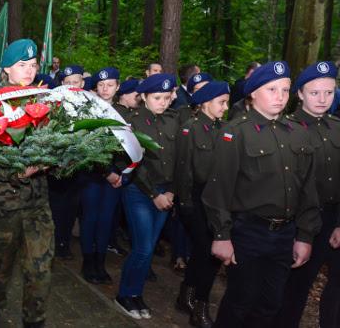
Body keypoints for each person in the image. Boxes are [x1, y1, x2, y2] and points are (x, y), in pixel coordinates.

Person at [202, 61, 321, 327]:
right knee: (241, 300)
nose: (280, 96)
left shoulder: (298, 133)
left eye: (285, 89)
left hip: (285, 234)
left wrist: (305, 235)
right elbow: (218, 190)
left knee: (271, 303)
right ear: (253, 93)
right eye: (271, 89)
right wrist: (221, 235)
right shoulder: (235, 132)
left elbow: (307, 190)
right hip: (248, 231)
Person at [0, 39, 53, 328]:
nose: (30, 71)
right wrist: (18, 173)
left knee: (40, 269)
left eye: (33, 65)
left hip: (37, 203)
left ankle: (34, 321)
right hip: (1, 202)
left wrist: (57, 160)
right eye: (22, 65)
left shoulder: (45, 103)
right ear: (7, 69)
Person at [275, 61, 340, 328]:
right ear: (300, 94)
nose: (323, 99)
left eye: (329, 92)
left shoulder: (337, 127)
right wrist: (301, 233)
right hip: (299, 221)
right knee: (294, 290)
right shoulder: (286, 129)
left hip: (334, 218)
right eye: (314, 92)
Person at [115, 73, 178, 320]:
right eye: (157, 98)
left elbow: (180, 160)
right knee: (142, 247)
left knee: (149, 247)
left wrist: (172, 191)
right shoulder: (132, 122)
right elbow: (131, 163)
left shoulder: (173, 120)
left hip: (166, 191)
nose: (162, 102)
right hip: (139, 192)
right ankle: (124, 294)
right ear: (143, 97)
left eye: (166, 97)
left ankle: (136, 293)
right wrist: (154, 194)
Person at [173, 81, 230, 327]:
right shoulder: (191, 128)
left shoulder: (225, 129)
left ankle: (186, 293)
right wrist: (184, 203)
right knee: (208, 251)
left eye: (227, 103)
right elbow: (183, 168)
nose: (225, 108)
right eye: (221, 102)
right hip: (195, 199)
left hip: (218, 201)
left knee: (203, 252)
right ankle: (200, 307)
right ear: (206, 102)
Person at [78, 67, 124, 285]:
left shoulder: (124, 113)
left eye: (110, 85)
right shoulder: (88, 111)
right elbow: (83, 146)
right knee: (90, 218)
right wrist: (106, 172)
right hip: (92, 173)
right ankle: (87, 262)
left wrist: (120, 173)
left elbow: (131, 148)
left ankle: (100, 262)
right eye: (101, 85)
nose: (105, 89)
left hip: (116, 176)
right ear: (96, 87)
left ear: (118, 87)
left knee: (106, 220)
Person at [49, 65, 85, 260]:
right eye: (68, 82)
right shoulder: (53, 103)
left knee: (71, 208)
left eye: (75, 82)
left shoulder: (91, 104)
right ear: (62, 83)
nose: (72, 85)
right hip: (55, 166)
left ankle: (64, 242)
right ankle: (54, 242)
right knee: (56, 206)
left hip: (78, 166)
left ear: (82, 83)